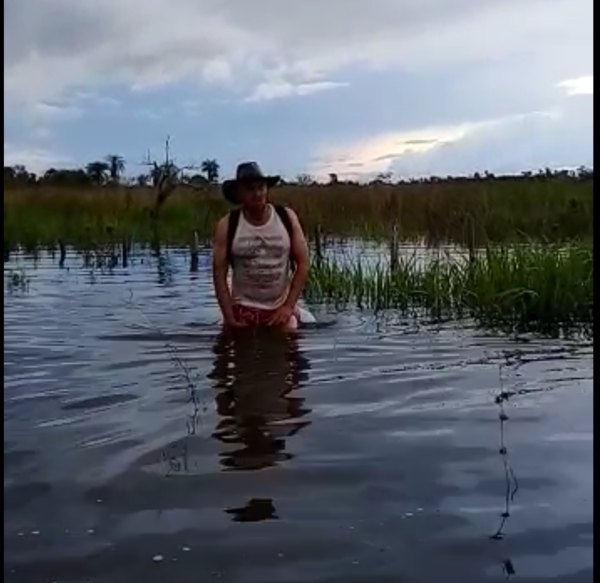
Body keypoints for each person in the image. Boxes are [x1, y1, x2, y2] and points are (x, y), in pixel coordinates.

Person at [212, 161, 309, 331]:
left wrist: (288, 306)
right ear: (239, 193)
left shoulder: (286, 217)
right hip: (243, 308)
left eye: (261, 187)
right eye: (250, 189)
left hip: (280, 306)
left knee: (290, 337)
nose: (257, 194)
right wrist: (229, 317)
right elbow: (219, 274)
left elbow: (303, 263)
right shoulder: (228, 225)